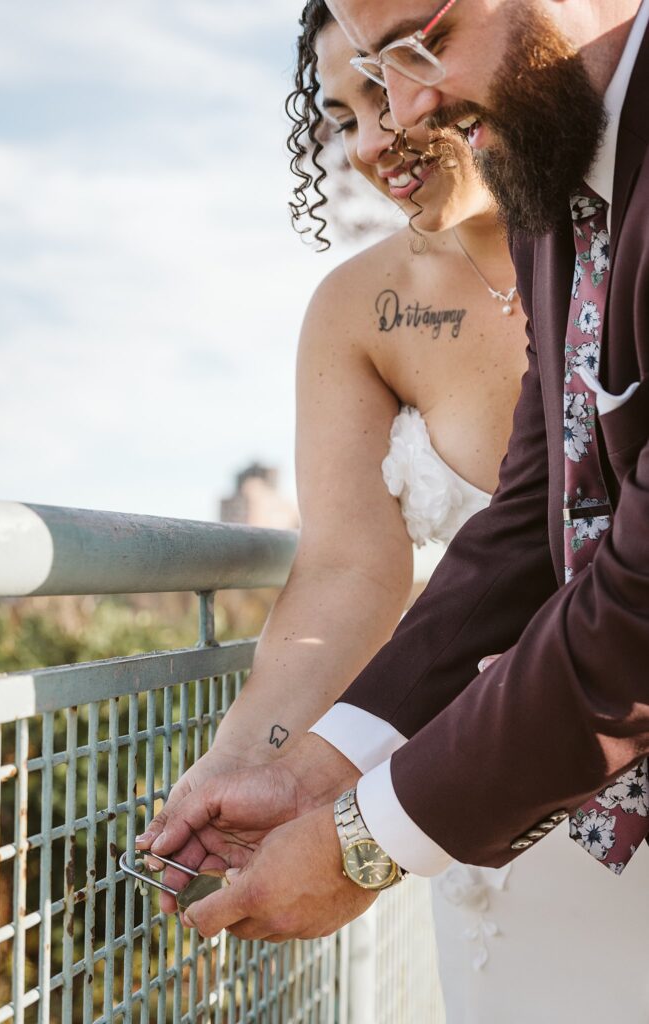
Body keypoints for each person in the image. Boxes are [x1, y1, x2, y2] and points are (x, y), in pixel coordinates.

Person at [138, 0, 649, 1018]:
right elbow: (521, 522)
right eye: (363, 89)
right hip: (529, 771)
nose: (398, 116)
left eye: (420, 47)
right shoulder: (562, 195)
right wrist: (303, 769)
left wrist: (369, 837)